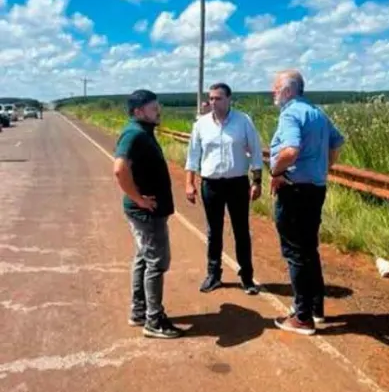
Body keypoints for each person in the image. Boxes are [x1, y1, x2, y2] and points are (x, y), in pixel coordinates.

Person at [268, 70, 345, 335]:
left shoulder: (290, 114)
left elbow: (290, 150)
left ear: (288, 91)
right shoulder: (317, 113)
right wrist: (324, 167)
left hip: (294, 191)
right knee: (309, 249)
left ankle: (302, 317)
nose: (273, 92)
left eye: (276, 88)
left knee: (295, 252)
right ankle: (315, 307)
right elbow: (337, 142)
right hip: (315, 189)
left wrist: (276, 172)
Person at [112, 89, 183, 338]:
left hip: (147, 211)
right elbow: (120, 168)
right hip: (146, 213)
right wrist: (138, 199)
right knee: (156, 262)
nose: (158, 111)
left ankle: (139, 311)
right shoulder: (135, 134)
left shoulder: (142, 132)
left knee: (144, 258)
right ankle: (154, 321)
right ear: (139, 111)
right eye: (154, 108)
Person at [184, 82, 265, 295]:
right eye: (211, 98)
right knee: (214, 231)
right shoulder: (201, 124)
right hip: (211, 184)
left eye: (218, 98)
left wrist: (257, 181)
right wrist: (189, 183)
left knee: (241, 230)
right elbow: (193, 155)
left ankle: (247, 277)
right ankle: (214, 275)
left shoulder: (243, 121)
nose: (213, 102)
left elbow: (256, 152)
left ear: (229, 99)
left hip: (237, 183)